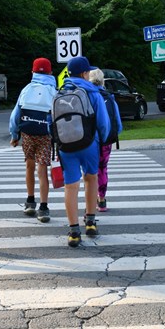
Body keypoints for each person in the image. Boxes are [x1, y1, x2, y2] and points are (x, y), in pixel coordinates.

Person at [58, 56, 110, 247]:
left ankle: (73, 231)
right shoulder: (93, 92)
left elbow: (51, 122)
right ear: (84, 73)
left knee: (70, 186)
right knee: (91, 178)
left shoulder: (59, 92)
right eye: (88, 71)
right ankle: (89, 222)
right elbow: (103, 123)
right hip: (89, 144)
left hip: (66, 146)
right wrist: (102, 140)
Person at [9, 58, 57, 222]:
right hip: (45, 135)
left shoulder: (27, 89)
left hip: (28, 134)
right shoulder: (53, 91)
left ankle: (30, 201)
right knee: (42, 170)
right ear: (50, 73)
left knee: (29, 165)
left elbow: (16, 115)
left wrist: (15, 135)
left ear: (33, 72)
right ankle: (43, 208)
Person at [88, 68, 122, 212]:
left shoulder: (86, 96)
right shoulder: (109, 97)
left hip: (89, 140)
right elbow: (118, 123)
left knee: (89, 171)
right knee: (102, 169)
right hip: (106, 139)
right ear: (102, 80)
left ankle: (90, 202)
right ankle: (101, 200)